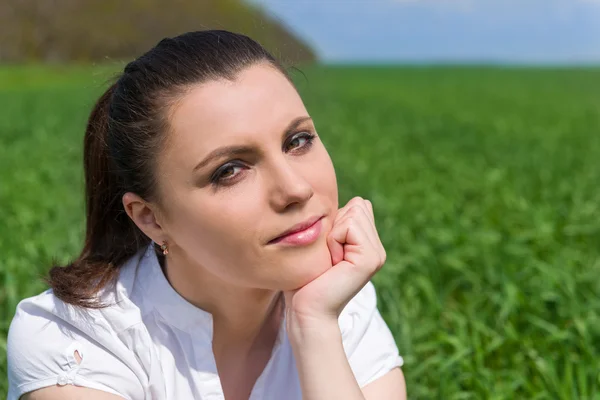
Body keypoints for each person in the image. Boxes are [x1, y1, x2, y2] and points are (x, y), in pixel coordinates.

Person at [6, 30, 406, 400]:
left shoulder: (342, 307)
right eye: (230, 170)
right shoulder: (76, 341)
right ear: (150, 218)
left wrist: (315, 328)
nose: (296, 189)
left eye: (298, 141)